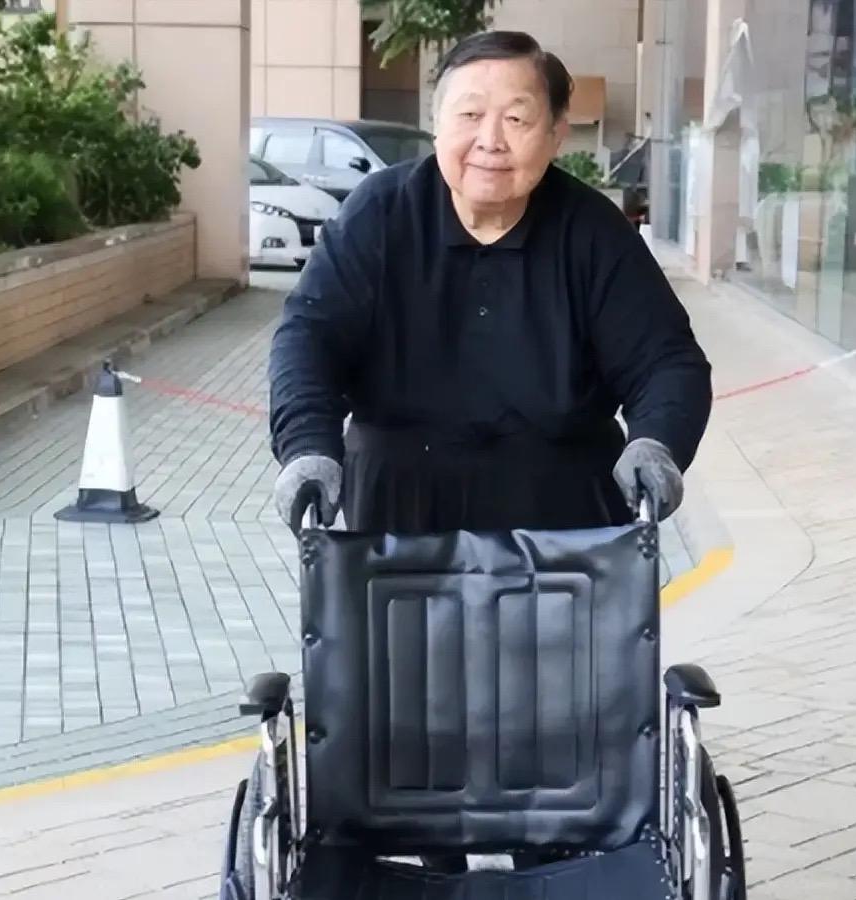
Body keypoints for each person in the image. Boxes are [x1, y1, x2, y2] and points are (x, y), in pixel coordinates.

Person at [268, 30, 712, 539]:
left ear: (556, 134)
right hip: (398, 520)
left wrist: (656, 442)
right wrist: (307, 446)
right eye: (470, 114)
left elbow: (665, 360)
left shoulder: (594, 232)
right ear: (437, 125)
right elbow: (310, 336)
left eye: (517, 119)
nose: (491, 140)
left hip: (568, 529)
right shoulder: (380, 215)